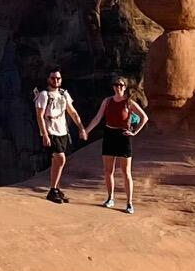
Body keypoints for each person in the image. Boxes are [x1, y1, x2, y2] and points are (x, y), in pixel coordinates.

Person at [82, 77, 149, 212]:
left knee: (126, 172)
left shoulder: (129, 102)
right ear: (113, 87)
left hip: (123, 137)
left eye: (120, 85)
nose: (118, 87)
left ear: (125, 87)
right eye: (115, 85)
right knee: (108, 171)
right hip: (109, 136)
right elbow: (98, 117)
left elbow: (144, 117)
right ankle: (110, 198)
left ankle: (129, 203)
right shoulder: (107, 101)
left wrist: (134, 132)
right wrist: (86, 130)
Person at [33, 69, 84, 203]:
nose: (56, 80)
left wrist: (81, 128)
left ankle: (54, 188)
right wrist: (44, 134)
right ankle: (53, 190)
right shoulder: (44, 95)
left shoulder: (63, 94)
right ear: (48, 79)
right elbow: (39, 115)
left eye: (58, 78)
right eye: (53, 78)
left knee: (57, 161)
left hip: (62, 131)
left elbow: (72, 112)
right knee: (60, 159)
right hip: (51, 131)